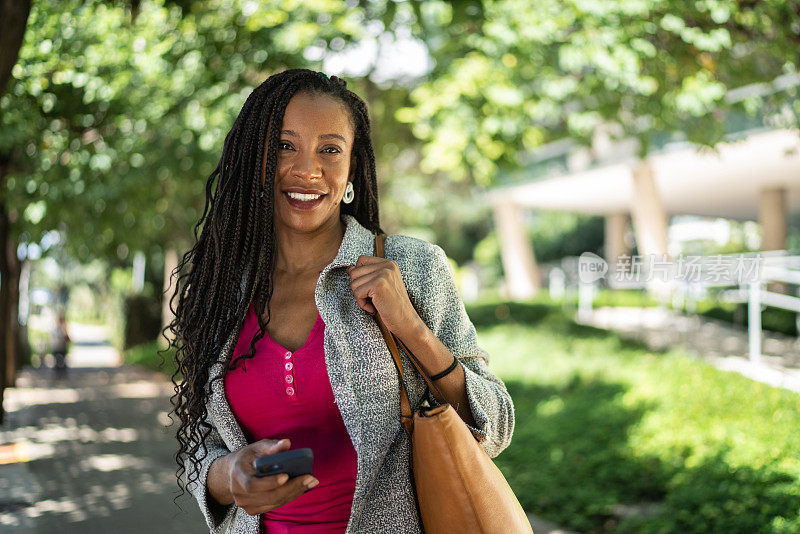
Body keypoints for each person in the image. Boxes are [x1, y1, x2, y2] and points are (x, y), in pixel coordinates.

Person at [165, 69, 516, 534]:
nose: (308, 170)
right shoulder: (223, 290)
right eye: (285, 146)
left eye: (329, 150)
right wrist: (229, 477)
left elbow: (496, 423)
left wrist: (411, 328)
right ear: (257, 161)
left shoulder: (412, 268)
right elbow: (197, 443)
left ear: (352, 168)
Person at [51, 310, 70, 380]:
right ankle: (58, 376)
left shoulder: (63, 327)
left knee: (62, 362)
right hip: (57, 347)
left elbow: (66, 337)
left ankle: (61, 376)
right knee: (58, 362)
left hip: (61, 347)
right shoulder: (56, 327)